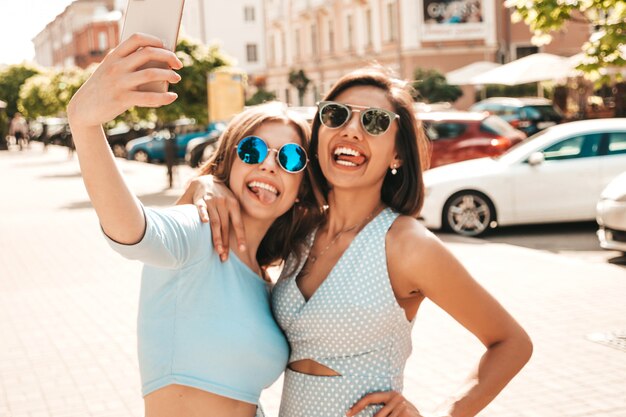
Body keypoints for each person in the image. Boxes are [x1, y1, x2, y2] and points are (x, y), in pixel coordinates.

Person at [181, 66, 533, 417]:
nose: (351, 130)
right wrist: (204, 184)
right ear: (319, 135)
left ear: (397, 153)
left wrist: (446, 412)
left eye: (375, 122)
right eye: (336, 115)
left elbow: (511, 343)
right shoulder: (299, 231)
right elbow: (200, 249)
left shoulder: (407, 245)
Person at [67, 33, 323, 417]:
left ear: (301, 189)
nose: (269, 165)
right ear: (228, 162)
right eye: (252, 150)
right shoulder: (195, 230)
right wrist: (85, 124)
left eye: (289, 158)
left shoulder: (268, 281)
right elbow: (131, 231)